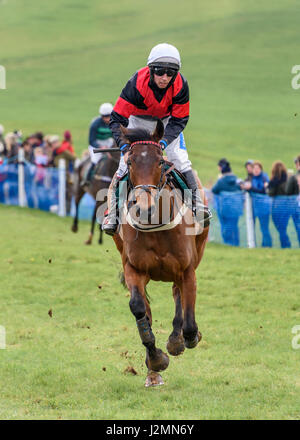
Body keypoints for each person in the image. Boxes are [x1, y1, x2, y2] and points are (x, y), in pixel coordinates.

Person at [103, 43, 211, 235]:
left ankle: (197, 205)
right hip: (138, 122)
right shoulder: (136, 83)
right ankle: (113, 215)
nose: (165, 78)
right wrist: (124, 147)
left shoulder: (180, 85)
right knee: (123, 166)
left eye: (170, 73)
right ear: (151, 70)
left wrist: (163, 142)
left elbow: (179, 120)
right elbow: (116, 119)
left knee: (180, 160)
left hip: (167, 124)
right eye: (160, 72)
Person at [81, 103, 114, 187]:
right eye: (105, 116)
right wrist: (100, 147)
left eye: (109, 116)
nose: (108, 119)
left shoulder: (114, 123)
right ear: (101, 116)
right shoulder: (95, 124)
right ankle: (87, 179)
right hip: (96, 145)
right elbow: (91, 140)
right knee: (95, 161)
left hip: (109, 143)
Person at [212, 159, 243, 246]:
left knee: (225, 226)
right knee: (234, 226)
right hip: (236, 208)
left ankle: (228, 244)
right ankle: (236, 244)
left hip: (225, 209)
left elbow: (214, 190)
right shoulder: (237, 179)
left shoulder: (221, 181)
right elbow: (241, 188)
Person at [247, 161, 272, 247]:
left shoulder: (264, 177)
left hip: (264, 207)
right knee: (251, 226)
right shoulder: (252, 178)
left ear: (261, 169)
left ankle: (267, 245)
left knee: (264, 228)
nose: (256, 170)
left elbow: (263, 190)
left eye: (258, 168)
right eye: (254, 168)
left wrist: (251, 188)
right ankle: (253, 245)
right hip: (254, 207)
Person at [267, 161, 290, 248]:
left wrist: (269, 187)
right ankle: (286, 245)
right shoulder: (287, 180)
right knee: (283, 227)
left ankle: (285, 245)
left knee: (280, 228)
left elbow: (271, 193)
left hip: (277, 207)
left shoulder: (274, 181)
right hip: (287, 207)